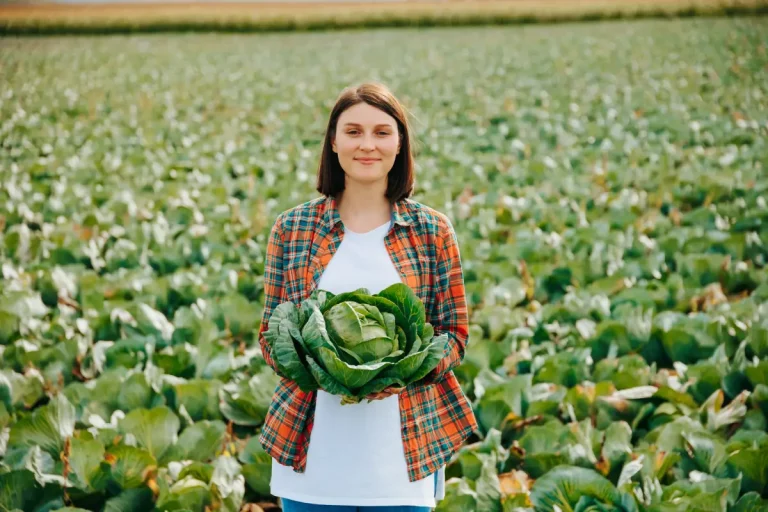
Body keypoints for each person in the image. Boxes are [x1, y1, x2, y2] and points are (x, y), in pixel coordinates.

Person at [257, 82, 477, 512]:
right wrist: (324, 369)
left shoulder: (432, 231)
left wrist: (399, 372)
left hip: (404, 461)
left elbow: (455, 333)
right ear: (333, 143)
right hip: (311, 462)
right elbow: (271, 335)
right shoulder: (292, 228)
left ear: (399, 144)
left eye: (382, 132)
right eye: (353, 132)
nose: (367, 145)